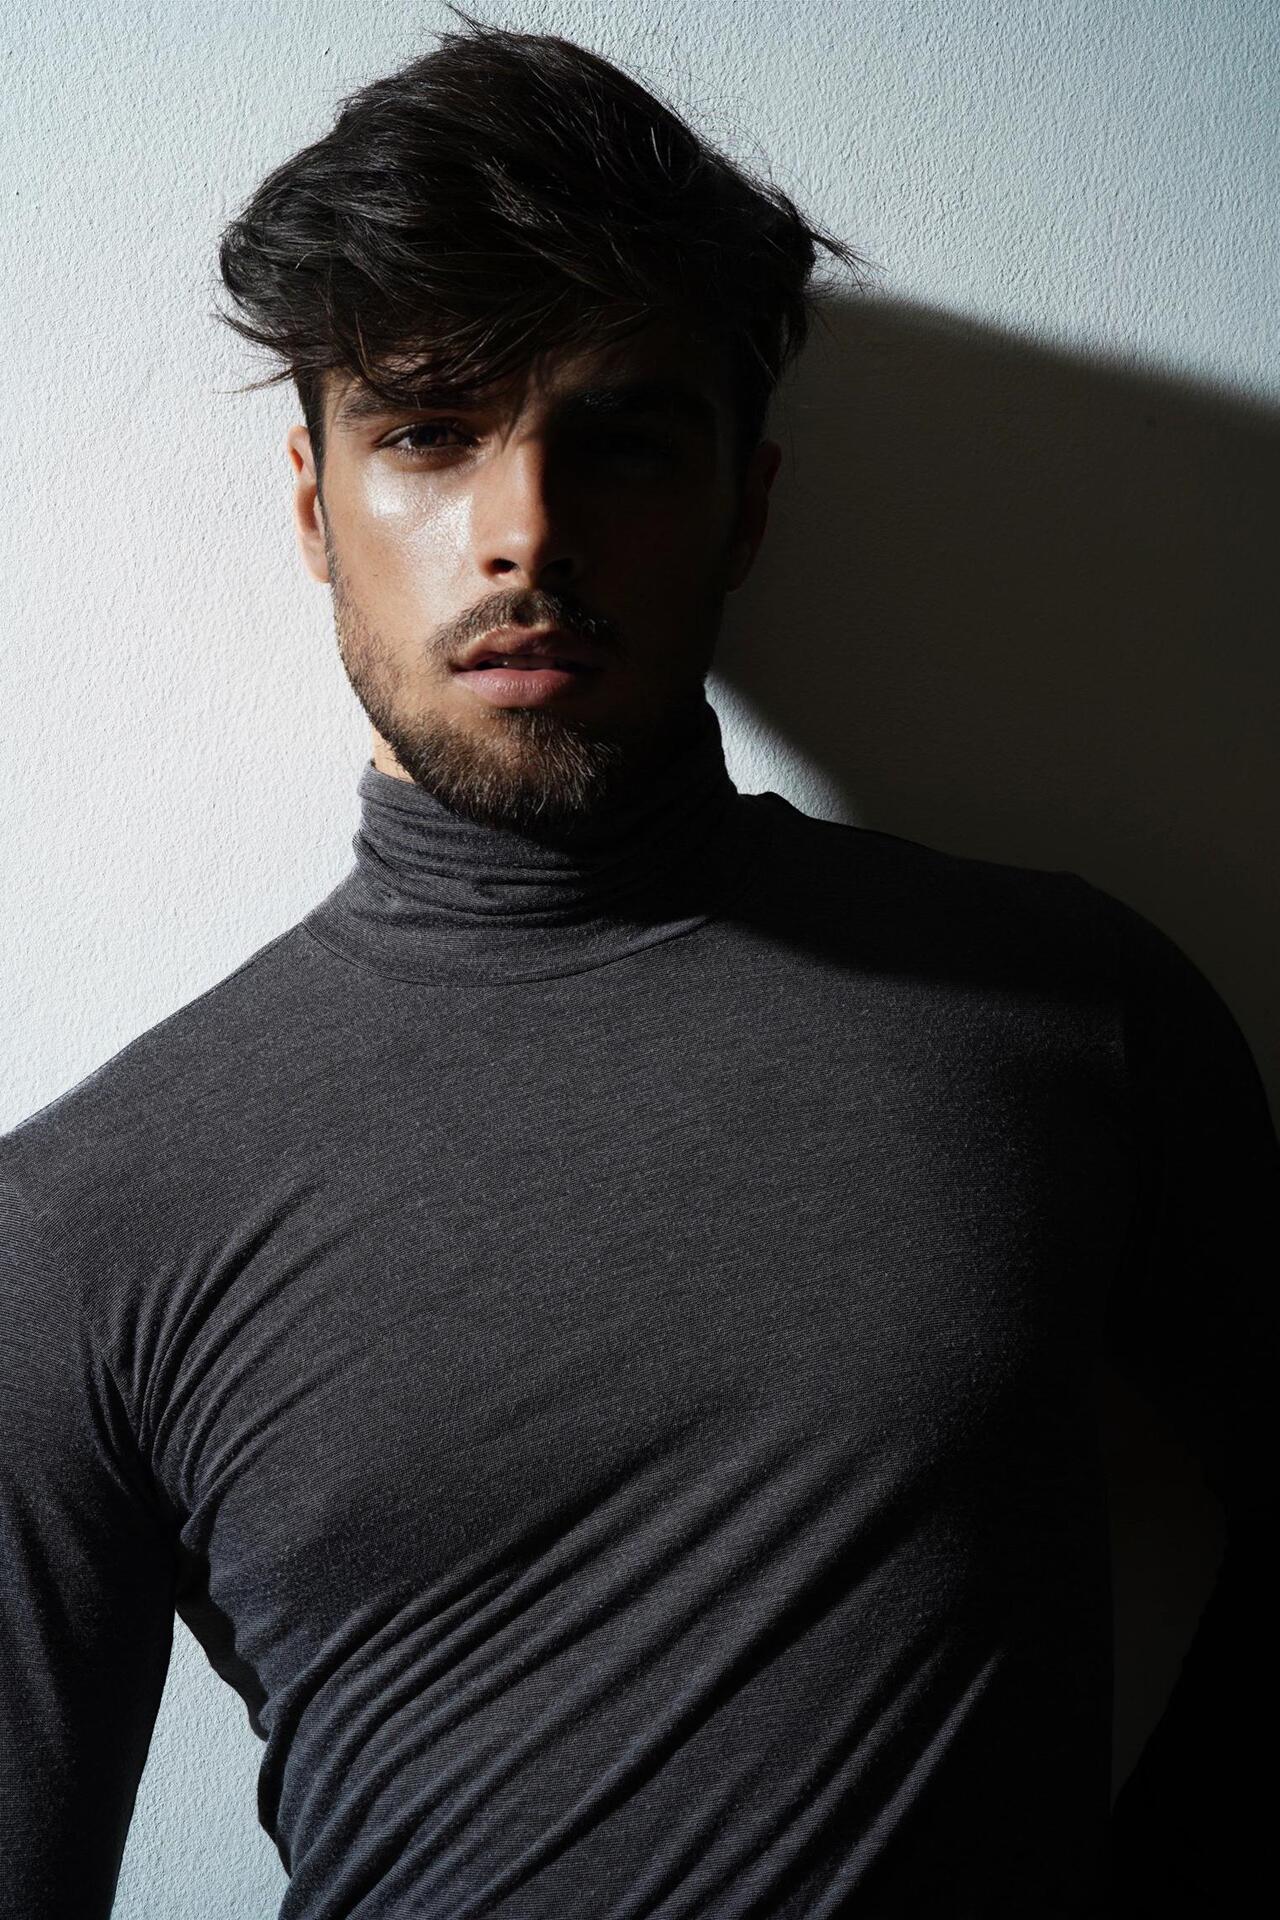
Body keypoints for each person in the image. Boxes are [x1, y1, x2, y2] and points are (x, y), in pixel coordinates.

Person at [1, 11, 1274, 1917]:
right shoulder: (82, 1222)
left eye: (622, 439)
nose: (527, 533)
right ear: (314, 511)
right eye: (427, 432)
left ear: (747, 504)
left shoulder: (1067, 1010)